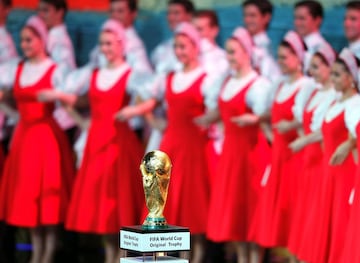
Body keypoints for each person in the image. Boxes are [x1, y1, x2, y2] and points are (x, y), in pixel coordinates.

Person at [39, 19, 145, 263]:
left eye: (109, 43)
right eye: (102, 43)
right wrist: (78, 116)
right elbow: (75, 100)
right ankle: (109, 254)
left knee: (120, 204)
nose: (105, 48)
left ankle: (122, 256)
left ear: (121, 44)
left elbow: (148, 101)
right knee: (102, 207)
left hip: (120, 145)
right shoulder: (95, 73)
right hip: (97, 144)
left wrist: (134, 112)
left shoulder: (130, 75)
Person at [117, 22, 220, 263]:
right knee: (167, 202)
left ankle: (197, 256)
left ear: (196, 47)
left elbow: (216, 109)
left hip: (194, 148)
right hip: (172, 146)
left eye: (184, 46)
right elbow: (150, 102)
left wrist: (208, 119)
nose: (180, 51)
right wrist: (135, 111)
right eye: (177, 47)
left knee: (193, 203)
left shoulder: (206, 78)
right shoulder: (169, 77)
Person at [0, 15, 75, 263]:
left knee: (47, 198)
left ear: (42, 40)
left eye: (30, 39)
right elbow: (13, 105)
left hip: (46, 138)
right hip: (24, 138)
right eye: (22, 40)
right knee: (29, 197)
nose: (25, 44)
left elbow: (70, 100)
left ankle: (48, 253)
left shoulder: (55, 70)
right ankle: (35, 251)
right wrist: (14, 115)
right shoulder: (18, 69)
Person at [205, 27, 271, 263]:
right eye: (228, 53)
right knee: (237, 216)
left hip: (252, 154)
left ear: (246, 52)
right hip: (231, 154)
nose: (230, 57)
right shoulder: (227, 82)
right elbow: (218, 111)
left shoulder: (258, 84)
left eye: (233, 52)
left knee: (252, 213)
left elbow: (269, 119)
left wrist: (256, 119)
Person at [248, 31, 313, 259]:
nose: (281, 61)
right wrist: (271, 135)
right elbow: (267, 118)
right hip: (278, 160)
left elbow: (310, 123)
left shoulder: (307, 86)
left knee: (296, 216)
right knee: (279, 219)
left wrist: (293, 128)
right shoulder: (278, 85)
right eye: (279, 57)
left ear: (299, 58)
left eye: (285, 57)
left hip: (296, 160)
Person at [287, 43, 337, 262]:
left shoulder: (335, 96)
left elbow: (325, 130)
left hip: (321, 161)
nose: (313, 72)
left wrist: (304, 140)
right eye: (311, 67)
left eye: (317, 67)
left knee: (316, 219)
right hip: (308, 160)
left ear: (329, 67)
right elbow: (303, 121)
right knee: (304, 218)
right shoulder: (313, 92)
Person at [311, 48, 358, 263]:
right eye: (334, 73)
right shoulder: (334, 102)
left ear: (351, 77)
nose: (333, 78)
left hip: (346, 175)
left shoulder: (356, 104)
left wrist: (348, 145)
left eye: (338, 74)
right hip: (330, 172)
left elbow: (353, 135)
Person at [37, 0, 78, 143]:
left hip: (60, 117)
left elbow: (64, 84)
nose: (41, 15)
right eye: (39, 10)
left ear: (60, 12)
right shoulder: (51, 38)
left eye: (46, 10)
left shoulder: (59, 42)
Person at [150, 0, 194, 74]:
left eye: (176, 13)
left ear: (189, 16)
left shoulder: (198, 47)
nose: (171, 17)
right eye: (169, 13)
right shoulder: (160, 50)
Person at [242, 0, 281, 82]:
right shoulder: (240, 43)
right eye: (245, 15)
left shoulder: (272, 47)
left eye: (252, 16)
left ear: (266, 17)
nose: (247, 20)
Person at [294, 0, 329, 73]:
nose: (297, 23)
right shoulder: (295, 44)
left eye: (302, 18)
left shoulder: (321, 49)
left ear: (317, 20)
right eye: (295, 18)